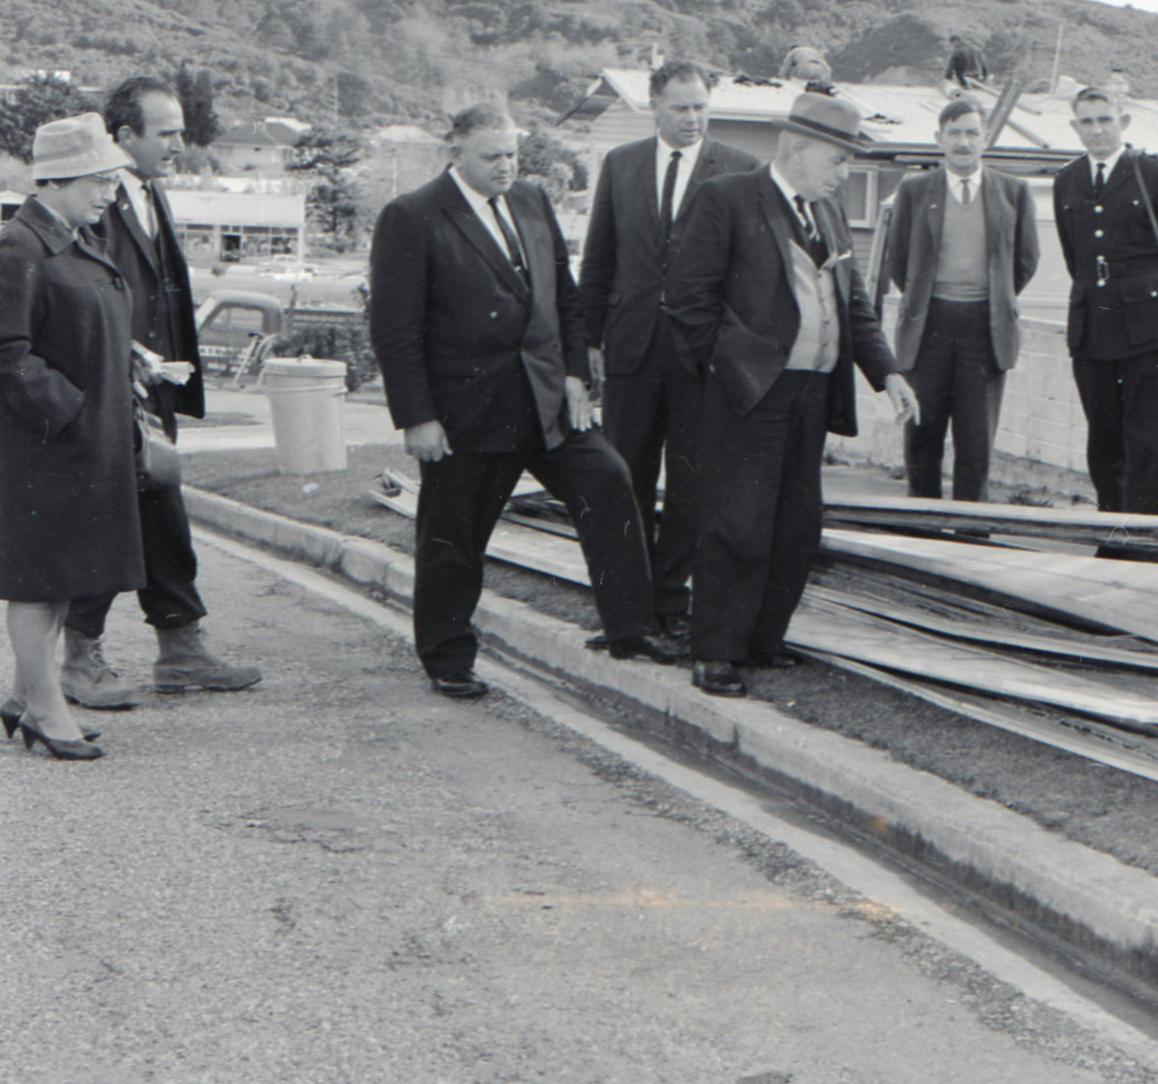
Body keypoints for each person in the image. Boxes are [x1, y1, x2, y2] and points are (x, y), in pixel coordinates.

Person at [368, 106, 663, 698]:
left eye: (512, 155)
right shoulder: (413, 215)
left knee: (608, 481)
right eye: (491, 157)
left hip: (546, 400)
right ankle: (448, 658)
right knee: (454, 538)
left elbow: (566, 297)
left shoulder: (531, 200)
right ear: (455, 151)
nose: (506, 166)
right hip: (468, 412)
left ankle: (630, 629)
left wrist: (575, 374)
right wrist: (418, 417)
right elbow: (394, 329)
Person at [665, 90, 919, 698]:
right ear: (797, 147)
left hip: (812, 392)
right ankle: (716, 650)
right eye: (837, 160)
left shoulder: (827, 213)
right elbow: (688, 301)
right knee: (738, 522)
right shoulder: (727, 198)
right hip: (749, 394)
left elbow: (853, 302)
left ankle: (762, 640)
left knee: (796, 525)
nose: (844, 173)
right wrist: (735, 370)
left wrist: (887, 371)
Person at [61, 76, 261, 710]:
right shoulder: (97, 198)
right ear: (124, 135)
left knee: (162, 517)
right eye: (167, 133)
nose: (180, 144)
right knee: (107, 521)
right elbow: (82, 293)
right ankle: (78, 659)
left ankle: (181, 650)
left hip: (152, 394)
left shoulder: (149, 192)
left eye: (181, 131)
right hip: (111, 391)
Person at [0, 116, 146, 761]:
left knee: (61, 577)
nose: (109, 194)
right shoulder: (20, 246)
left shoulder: (74, 241)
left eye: (112, 181)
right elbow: (0, 351)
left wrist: (130, 362)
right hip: (46, 446)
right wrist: (68, 410)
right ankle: (46, 710)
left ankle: (26, 695)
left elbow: (82, 326)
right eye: (99, 181)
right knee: (37, 582)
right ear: (57, 179)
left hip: (82, 440)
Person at [575, 61, 760, 647]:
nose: (692, 118)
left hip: (700, 355)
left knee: (690, 482)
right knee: (622, 477)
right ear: (653, 105)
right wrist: (589, 341)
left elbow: (749, 272)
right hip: (631, 347)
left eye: (701, 107)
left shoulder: (739, 167)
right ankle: (626, 613)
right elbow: (599, 259)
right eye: (680, 107)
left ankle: (671, 601)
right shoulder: (621, 164)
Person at [879, 98, 1040, 502]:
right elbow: (898, 260)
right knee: (922, 435)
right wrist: (926, 300)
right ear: (939, 139)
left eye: (972, 132)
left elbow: (1025, 260)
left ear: (986, 138)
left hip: (984, 330)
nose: (963, 142)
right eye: (954, 133)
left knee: (976, 441)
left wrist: (994, 299)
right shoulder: (914, 190)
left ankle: (972, 531)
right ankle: (920, 530)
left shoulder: (1014, 191)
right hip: (929, 326)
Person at [1052, 85, 1158, 519]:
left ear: (1123, 122)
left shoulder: (1152, 174)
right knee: (1103, 442)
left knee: (1149, 443)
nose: (1096, 130)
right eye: (1087, 122)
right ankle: (1114, 537)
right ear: (1075, 127)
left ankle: (1145, 544)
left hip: (1148, 329)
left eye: (1105, 120)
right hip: (1092, 327)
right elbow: (1075, 256)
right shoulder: (1067, 180)